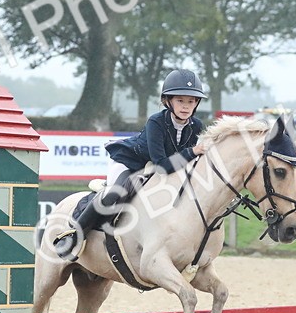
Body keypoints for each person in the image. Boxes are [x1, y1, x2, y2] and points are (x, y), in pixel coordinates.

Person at [52, 69, 208, 258]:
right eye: (180, 101)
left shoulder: (196, 126)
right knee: (114, 194)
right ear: (168, 101)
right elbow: (162, 165)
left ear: (197, 103)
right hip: (130, 163)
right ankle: (73, 236)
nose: (186, 106)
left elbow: (184, 164)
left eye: (191, 101)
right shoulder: (156, 122)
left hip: (158, 167)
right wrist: (192, 152)